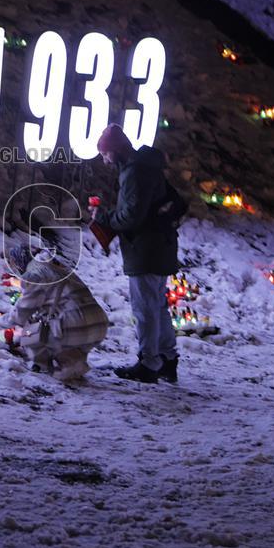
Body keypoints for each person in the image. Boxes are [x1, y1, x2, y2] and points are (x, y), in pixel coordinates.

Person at [89, 123, 184, 384]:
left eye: (105, 154)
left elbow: (131, 216)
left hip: (145, 249)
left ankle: (149, 363)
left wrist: (103, 217)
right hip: (159, 245)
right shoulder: (147, 167)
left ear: (116, 150)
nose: (105, 161)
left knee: (145, 309)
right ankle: (167, 359)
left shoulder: (134, 172)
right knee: (158, 306)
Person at [0, 244, 109, 383]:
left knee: (31, 328)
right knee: (54, 324)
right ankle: (73, 362)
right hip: (99, 325)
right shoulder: (57, 268)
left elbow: (20, 314)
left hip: (75, 325)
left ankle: (49, 365)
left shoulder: (33, 275)